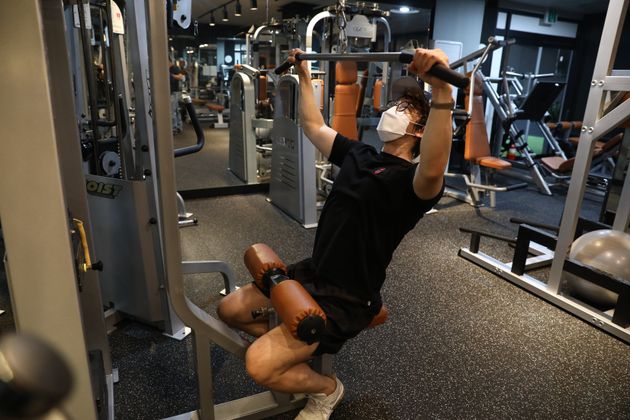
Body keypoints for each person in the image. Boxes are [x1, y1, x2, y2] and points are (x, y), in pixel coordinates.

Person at [217, 47, 453, 420]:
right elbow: (314, 127)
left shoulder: (414, 184)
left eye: (404, 110)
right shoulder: (361, 155)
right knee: (229, 309)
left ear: (418, 130)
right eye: (395, 105)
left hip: (348, 295)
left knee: (259, 366)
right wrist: (306, 76)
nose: (391, 111)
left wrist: (442, 92)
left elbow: (437, 161)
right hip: (314, 272)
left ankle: (327, 389)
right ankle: (291, 345)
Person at [169, 58, 185, 134]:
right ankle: (179, 126)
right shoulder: (167, 68)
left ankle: (174, 128)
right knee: (175, 110)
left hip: (174, 92)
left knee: (173, 111)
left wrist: (170, 75)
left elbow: (180, 77)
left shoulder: (175, 68)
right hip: (170, 92)